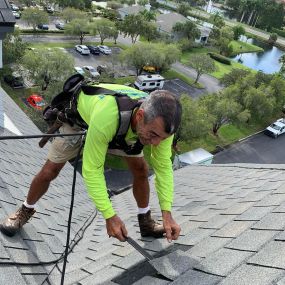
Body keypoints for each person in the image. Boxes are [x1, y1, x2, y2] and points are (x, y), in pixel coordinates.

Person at [0, 83, 182, 242]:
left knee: (141, 169)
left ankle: (146, 221)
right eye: (153, 135)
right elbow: (92, 170)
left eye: (162, 138)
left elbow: (163, 167)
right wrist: (109, 215)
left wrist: (167, 213)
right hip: (78, 121)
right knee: (50, 171)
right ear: (140, 115)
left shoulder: (161, 127)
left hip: (122, 130)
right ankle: (24, 210)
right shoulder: (109, 116)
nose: (157, 143)